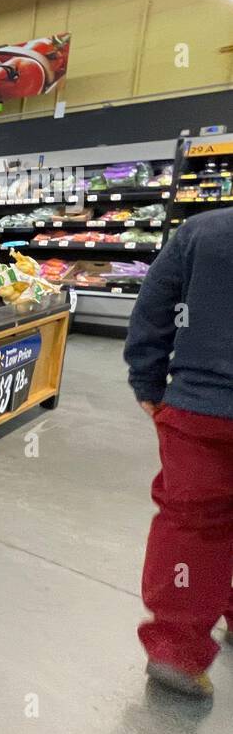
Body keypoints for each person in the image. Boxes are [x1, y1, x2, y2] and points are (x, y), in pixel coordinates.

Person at [124, 206, 233, 698]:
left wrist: (148, 380)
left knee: (193, 523)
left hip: (200, 407)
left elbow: (155, 307)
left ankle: (176, 650)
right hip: (201, 402)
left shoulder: (203, 231)